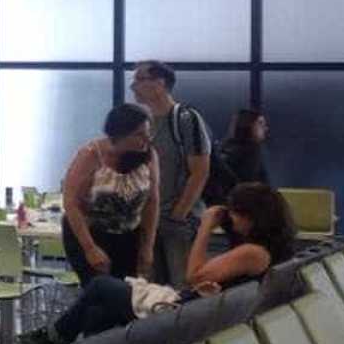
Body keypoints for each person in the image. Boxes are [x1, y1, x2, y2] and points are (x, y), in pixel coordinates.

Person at [22, 182, 293, 344]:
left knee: (100, 285)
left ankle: (58, 336)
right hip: (201, 312)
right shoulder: (266, 251)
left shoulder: (252, 253)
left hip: (185, 315)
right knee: (98, 311)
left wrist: (205, 227)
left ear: (250, 216)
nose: (231, 220)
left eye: (234, 214)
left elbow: (193, 276)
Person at [129, 60, 211, 287]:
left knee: (183, 286)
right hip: (149, 219)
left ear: (160, 83)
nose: (133, 86)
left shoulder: (185, 118)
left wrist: (179, 213)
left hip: (178, 221)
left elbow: (200, 171)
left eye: (139, 79)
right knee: (153, 290)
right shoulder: (143, 123)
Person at [60, 103, 160, 285]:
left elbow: (152, 202)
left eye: (148, 133)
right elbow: (71, 202)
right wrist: (90, 248)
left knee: (127, 291)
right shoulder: (90, 155)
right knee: (100, 290)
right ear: (120, 133)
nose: (146, 139)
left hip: (130, 233)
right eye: (139, 134)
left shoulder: (148, 155)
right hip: (90, 233)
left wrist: (148, 246)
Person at [219, 109, 270, 186]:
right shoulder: (252, 150)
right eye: (260, 124)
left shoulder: (224, 147)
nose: (266, 128)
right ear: (248, 125)